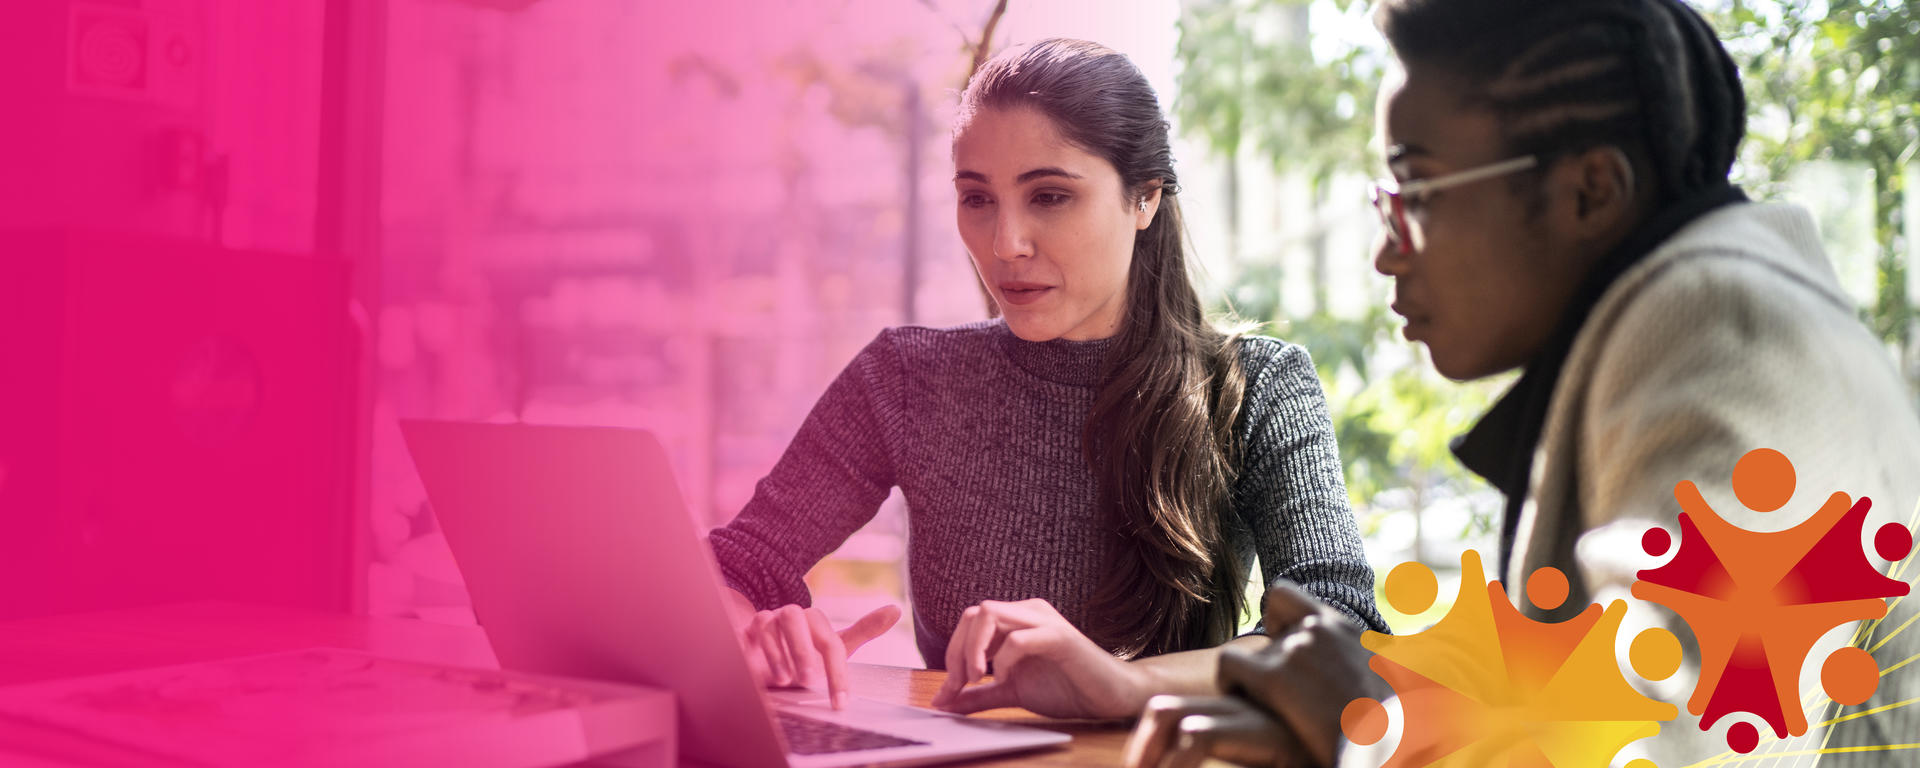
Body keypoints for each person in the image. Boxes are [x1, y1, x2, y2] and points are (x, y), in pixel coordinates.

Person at [1126, 0, 1920, 765]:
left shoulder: (1739, 340)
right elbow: (1588, 690)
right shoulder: (1678, 323)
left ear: (1590, 192)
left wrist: (1365, 730)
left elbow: (1659, 748)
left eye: (1419, 192)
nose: (1386, 252)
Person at [706, 38, 1387, 717]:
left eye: (1050, 196)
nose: (1006, 244)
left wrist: (1125, 686)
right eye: (977, 199)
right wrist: (749, 634)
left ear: (1144, 197)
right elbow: (731, 568)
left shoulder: (1257, 388)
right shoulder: (906, 378)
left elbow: (1343, 634)